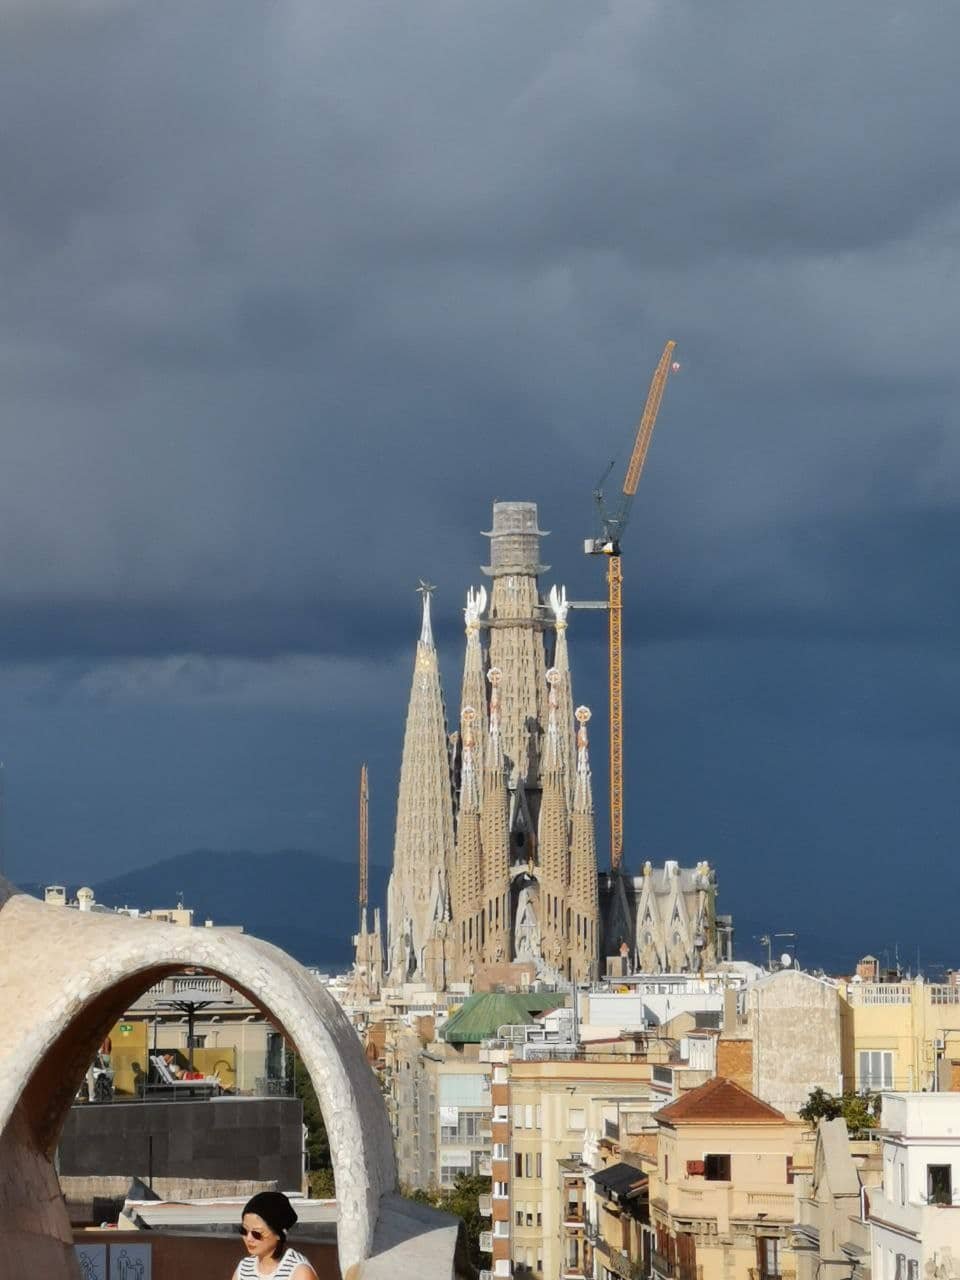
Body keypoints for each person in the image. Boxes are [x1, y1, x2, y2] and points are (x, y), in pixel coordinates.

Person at [232, 1191, 317, 1279]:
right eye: (244, 1231)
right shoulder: (244, 1268)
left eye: (256, 1234)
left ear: (278, 1234)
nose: (249, 1238)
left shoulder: (298, 1272)